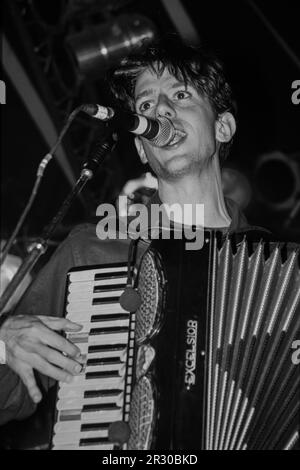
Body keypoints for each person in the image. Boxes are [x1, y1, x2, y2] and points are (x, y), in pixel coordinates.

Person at [0, 35, 261, 426]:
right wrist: (5, 344)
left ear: (222, 127)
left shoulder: (273, 264)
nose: (160, 109)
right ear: (142, 149)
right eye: (145, 104)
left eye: (181, 95)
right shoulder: (92, 250)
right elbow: (10, 397)